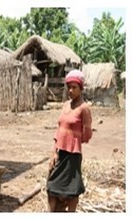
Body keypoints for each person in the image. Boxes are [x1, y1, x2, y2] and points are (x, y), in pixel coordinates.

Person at [47, 70, 92, 212]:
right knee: (52, 187)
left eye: (74, 87)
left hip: (73, 155)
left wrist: (74, 138)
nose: (71, 90)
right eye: (69, 87)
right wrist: (54, 152)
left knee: (73, 190)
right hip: (60, 152)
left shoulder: (84, 108)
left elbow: (87, 135)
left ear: (81, 89)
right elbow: (59, 128)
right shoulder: (66, 105)